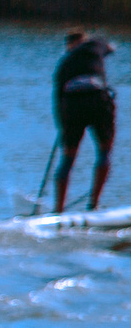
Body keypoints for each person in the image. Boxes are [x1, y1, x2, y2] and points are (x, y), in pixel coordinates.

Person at [53, 28, 115, 212]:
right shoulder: (94, 44)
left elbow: (58, 100)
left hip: (71, 106)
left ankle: (59, 209)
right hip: (98, 101)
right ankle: (93, 204)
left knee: (68, 157)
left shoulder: (63, 64)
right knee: (104, 152)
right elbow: (111, 48)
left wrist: (62, 128)